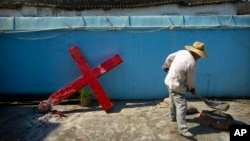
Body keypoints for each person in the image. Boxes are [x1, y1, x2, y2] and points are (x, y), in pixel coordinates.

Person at [162, 41, 208, 137]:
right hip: (176, 85)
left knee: (172, 100)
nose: (199, 58)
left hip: (168, 80)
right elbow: (190, 79)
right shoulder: (192, 63)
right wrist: (191, 88)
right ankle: (182, 129)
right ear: (196, 53)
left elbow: (170, 56)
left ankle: (172, 117)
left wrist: (167, 65)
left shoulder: (182, 52)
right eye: (199, 55)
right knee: (182, 106)